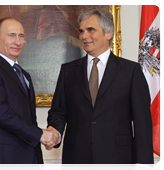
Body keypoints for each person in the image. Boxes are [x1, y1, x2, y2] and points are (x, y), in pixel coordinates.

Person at [46, 7, 154, 170]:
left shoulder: (130, 71)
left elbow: (142, 121)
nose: (84, 36)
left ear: (108, 33)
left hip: (118, 161)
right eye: (82, 31)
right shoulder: (68, 71)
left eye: (91, 30)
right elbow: (58, 112)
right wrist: (55, 133)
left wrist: (142, 163)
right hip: (76, 160)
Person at [0, 17, 57, 170]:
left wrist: (38, 160)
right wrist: (40, 134)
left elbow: (30, 120)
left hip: (27, 161)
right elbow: (0, 113)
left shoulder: (24, 75)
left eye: (21, 36)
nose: (17, 42)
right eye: (11, 35)